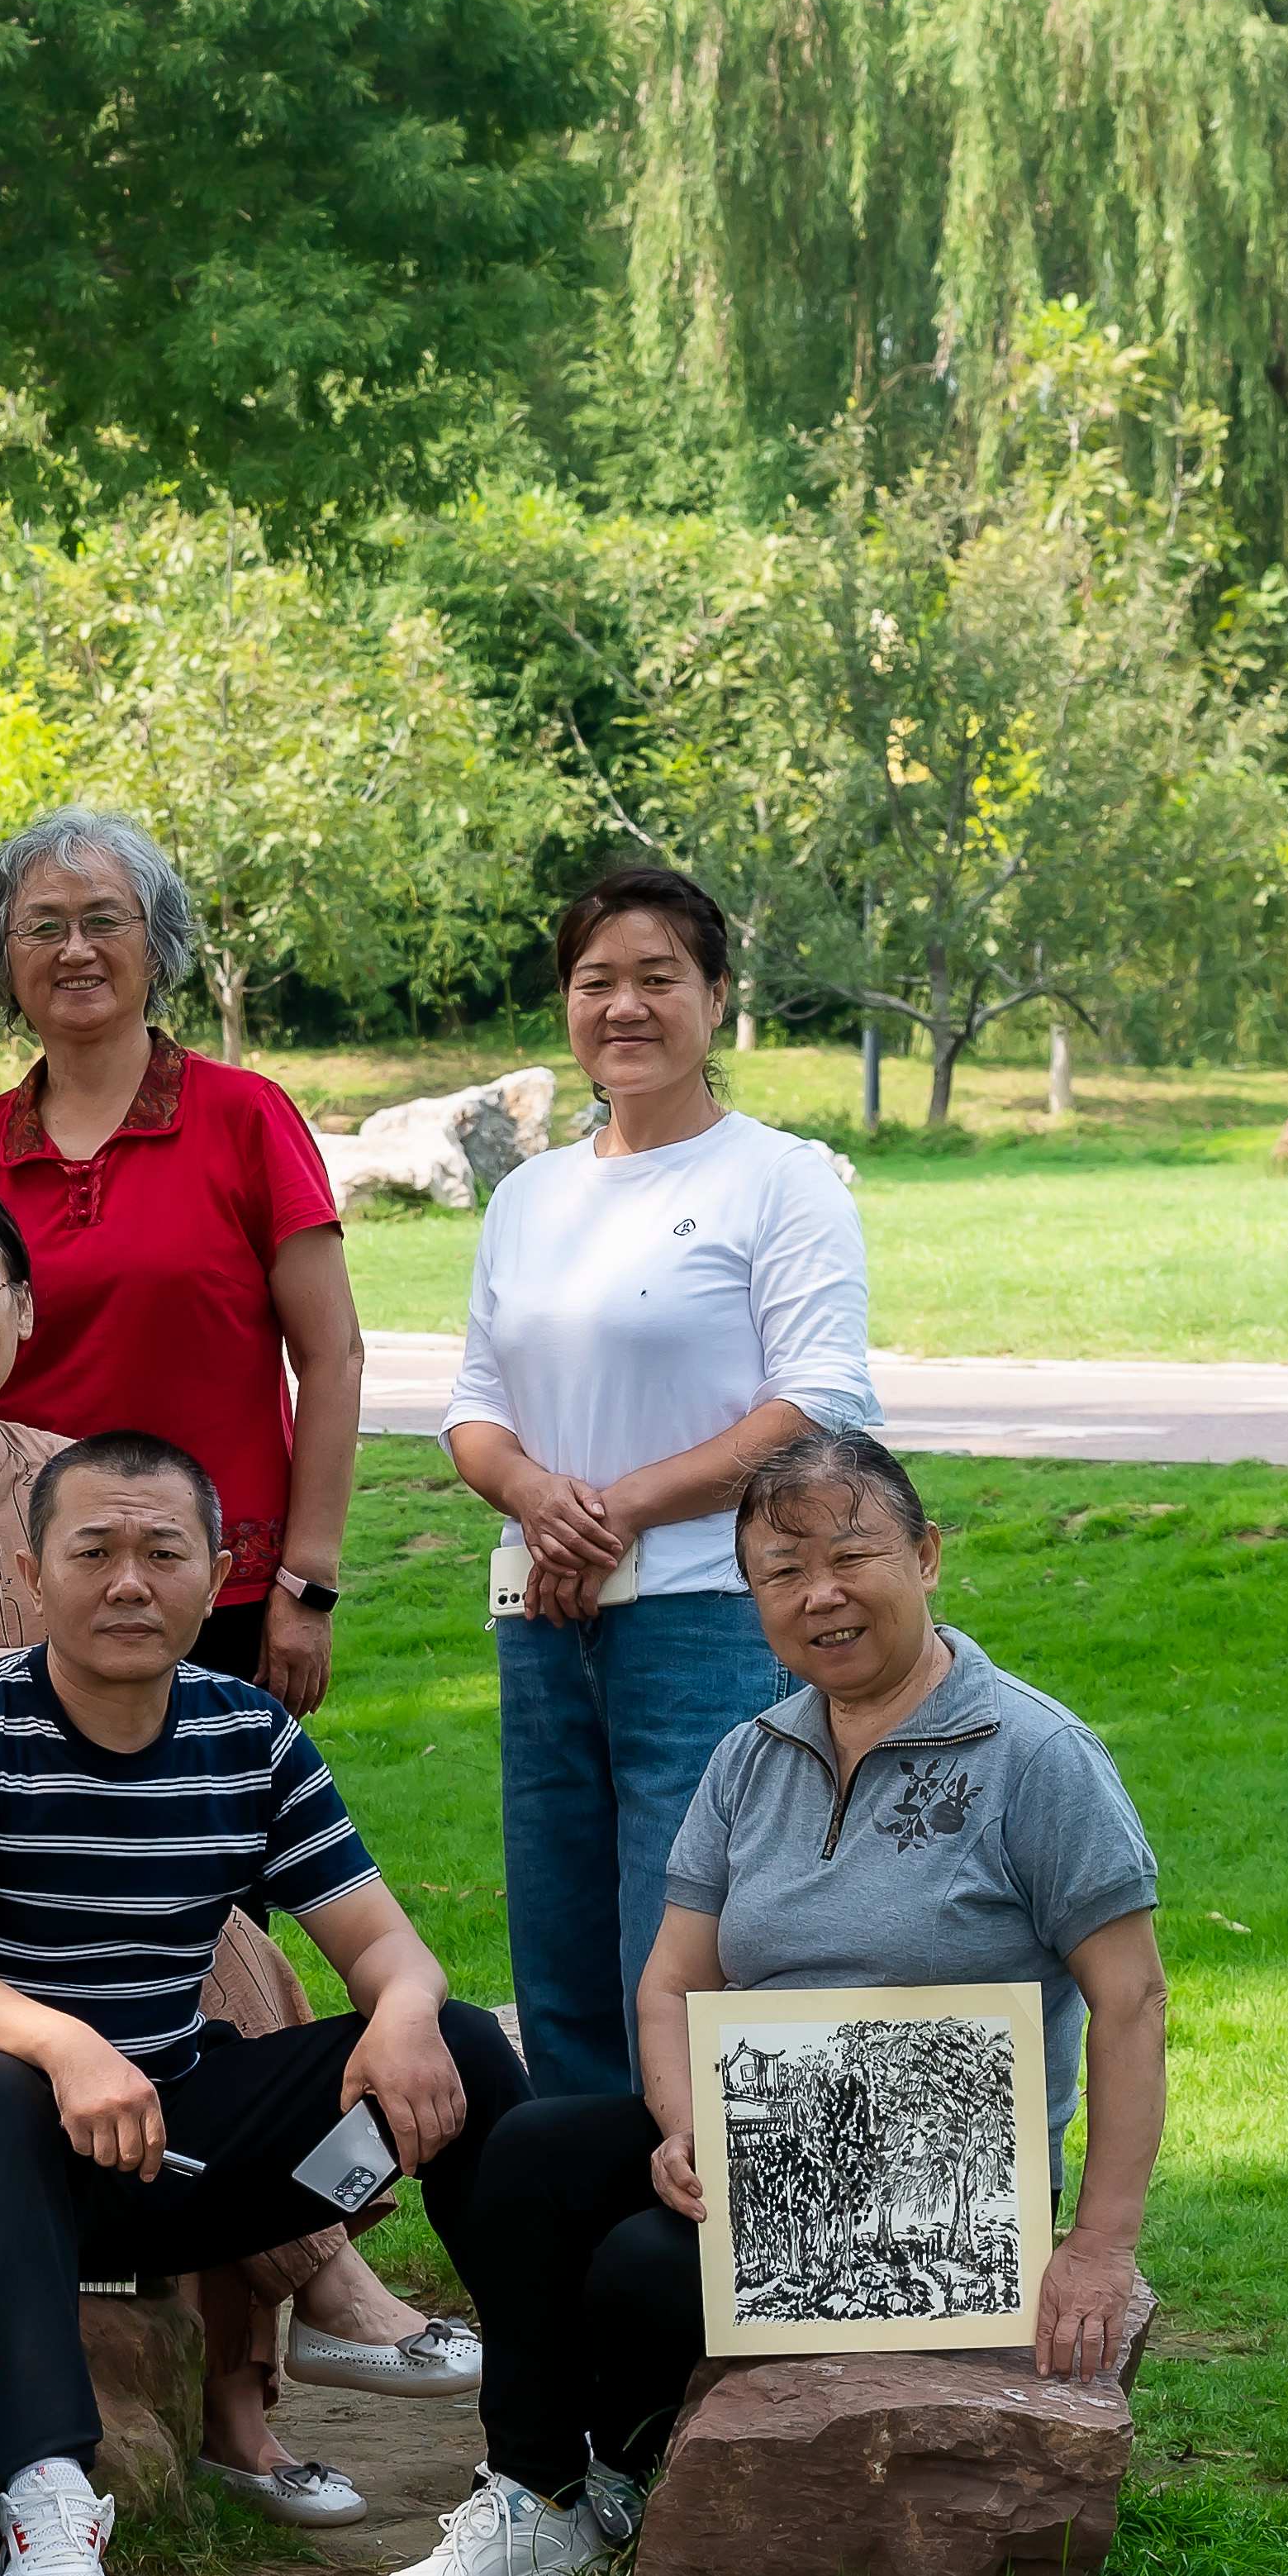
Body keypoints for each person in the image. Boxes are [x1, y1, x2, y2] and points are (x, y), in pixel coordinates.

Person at [0, 1164, 474, 2527]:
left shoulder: (66, 1476)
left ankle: (235, 2393)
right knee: (199, 1954)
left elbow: (132, 1674)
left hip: (86, 1829)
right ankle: (305, 2311)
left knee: (213, 1923)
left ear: (22, 1307)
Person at [385, 1429, 1168, 2576]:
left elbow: (1132, 1999)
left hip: (943, 2183)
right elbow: (669, 1986)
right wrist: (682, 2126)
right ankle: (537, 2498)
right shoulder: (752, 1757)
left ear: (928, 1557)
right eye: (782, 1572)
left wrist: (1101, 2243)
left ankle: (620, 2476)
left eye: (852, 1557)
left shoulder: (1037, 1755)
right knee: (534, 2151)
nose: (821, 1595)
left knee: (644, 2267)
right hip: (771, 2135)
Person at [0, 1431, 530, 2576]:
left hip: (173, 2149)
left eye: (164, 1553)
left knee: (464, 2050)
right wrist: (66, 2047)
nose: (130, 1582)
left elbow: (388, 1950)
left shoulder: (248, 1734)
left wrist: (399, 2017)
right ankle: (45, 2505)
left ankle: (545, 2459)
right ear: (33, 1571)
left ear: (218, 1574)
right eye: (94, 1552)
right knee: (1, 2086)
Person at [444, 862, 878, 2101]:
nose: (623, 1006)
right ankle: (586, 2206)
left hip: (711, 1618)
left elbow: (821, 1403)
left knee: (687, 1962)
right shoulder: (531, 1194)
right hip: (546, 1616)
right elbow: (476, 1405)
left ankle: (698, 2207)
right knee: (563, 1964)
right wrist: (537, 1500)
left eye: (657, 977)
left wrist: (617, 1509)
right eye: (596, 981)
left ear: (718, 996)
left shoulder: (779, 1178)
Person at [0, 810, 364, 1708]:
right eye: (43, 926)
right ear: (2, 957)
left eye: (104, 919)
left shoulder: (246, 1118)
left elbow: (333, 1356)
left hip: (214, 1595)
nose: (75, 949)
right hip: (20, 1593)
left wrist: (307, 1580)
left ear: (155, 946)